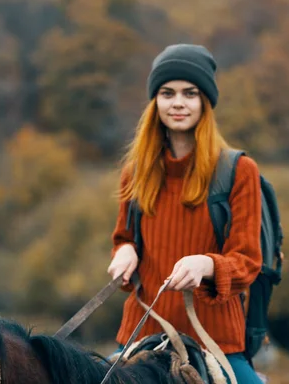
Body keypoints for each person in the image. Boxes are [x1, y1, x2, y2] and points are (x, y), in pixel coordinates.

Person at [107, 43, 264, 383]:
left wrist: (206, 265)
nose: (178, 103)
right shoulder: (135, 172)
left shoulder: (238, 171)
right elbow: (124, 237)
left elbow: (248, 261)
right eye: (167, 93)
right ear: (155, 102)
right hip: (142, 335)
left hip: (215, 342)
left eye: (190, 93)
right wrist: (124, 251)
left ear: (205, 102)